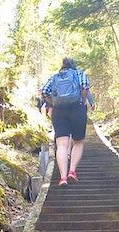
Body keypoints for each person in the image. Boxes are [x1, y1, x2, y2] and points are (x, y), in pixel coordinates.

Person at [41, 57, 90, 187]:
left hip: (59, 112)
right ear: (73, 65)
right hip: (77, 110)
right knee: (78, 142)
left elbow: (44, 91)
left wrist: (54, 103)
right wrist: (82, 101)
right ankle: (72, 171)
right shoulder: (79, 74)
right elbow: (84, 87)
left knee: (62, 145)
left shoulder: (54, 77)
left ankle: (62, 178)